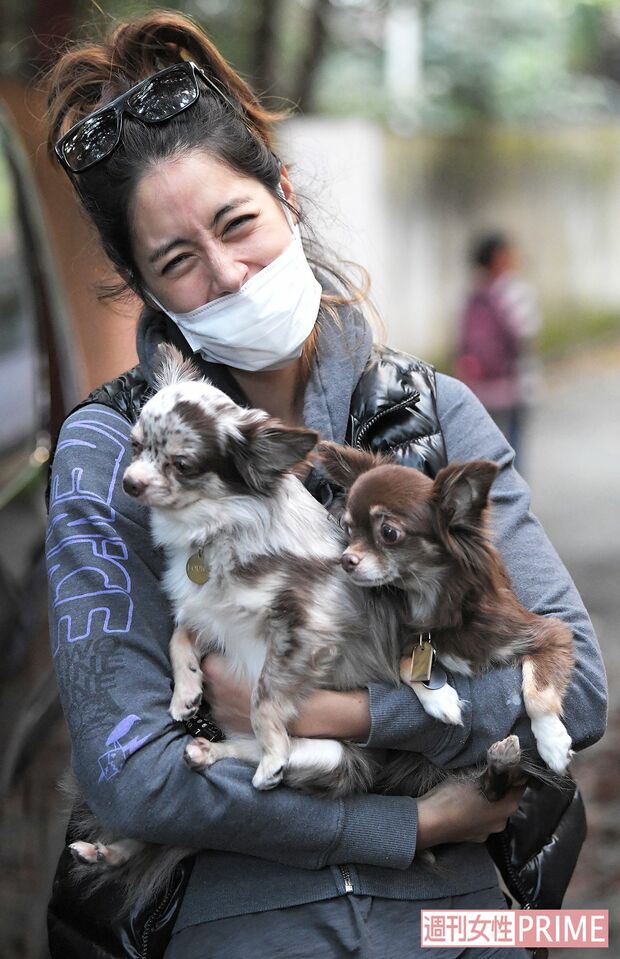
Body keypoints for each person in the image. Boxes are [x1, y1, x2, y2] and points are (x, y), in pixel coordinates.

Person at [44, 12, 606, 959]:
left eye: (238, 225)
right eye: (178, 261)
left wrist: (348, 713)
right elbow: (131, 774)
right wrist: (410, 823)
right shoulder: (114, 453)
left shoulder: (432, 416)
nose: (228, 274)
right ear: (143, 285)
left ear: (286, 197)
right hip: (242, 915)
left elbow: (576, 689)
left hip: (458, 917)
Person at [454, 233, 542, 470]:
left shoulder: (468, 295)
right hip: (514, 385)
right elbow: (527, 333)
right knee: (513, 447)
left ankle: (488, 497)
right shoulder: (514, 291)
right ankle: (515, 499)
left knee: (483, 447)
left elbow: (460, 340)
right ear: (499, 257)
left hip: (479, 387)